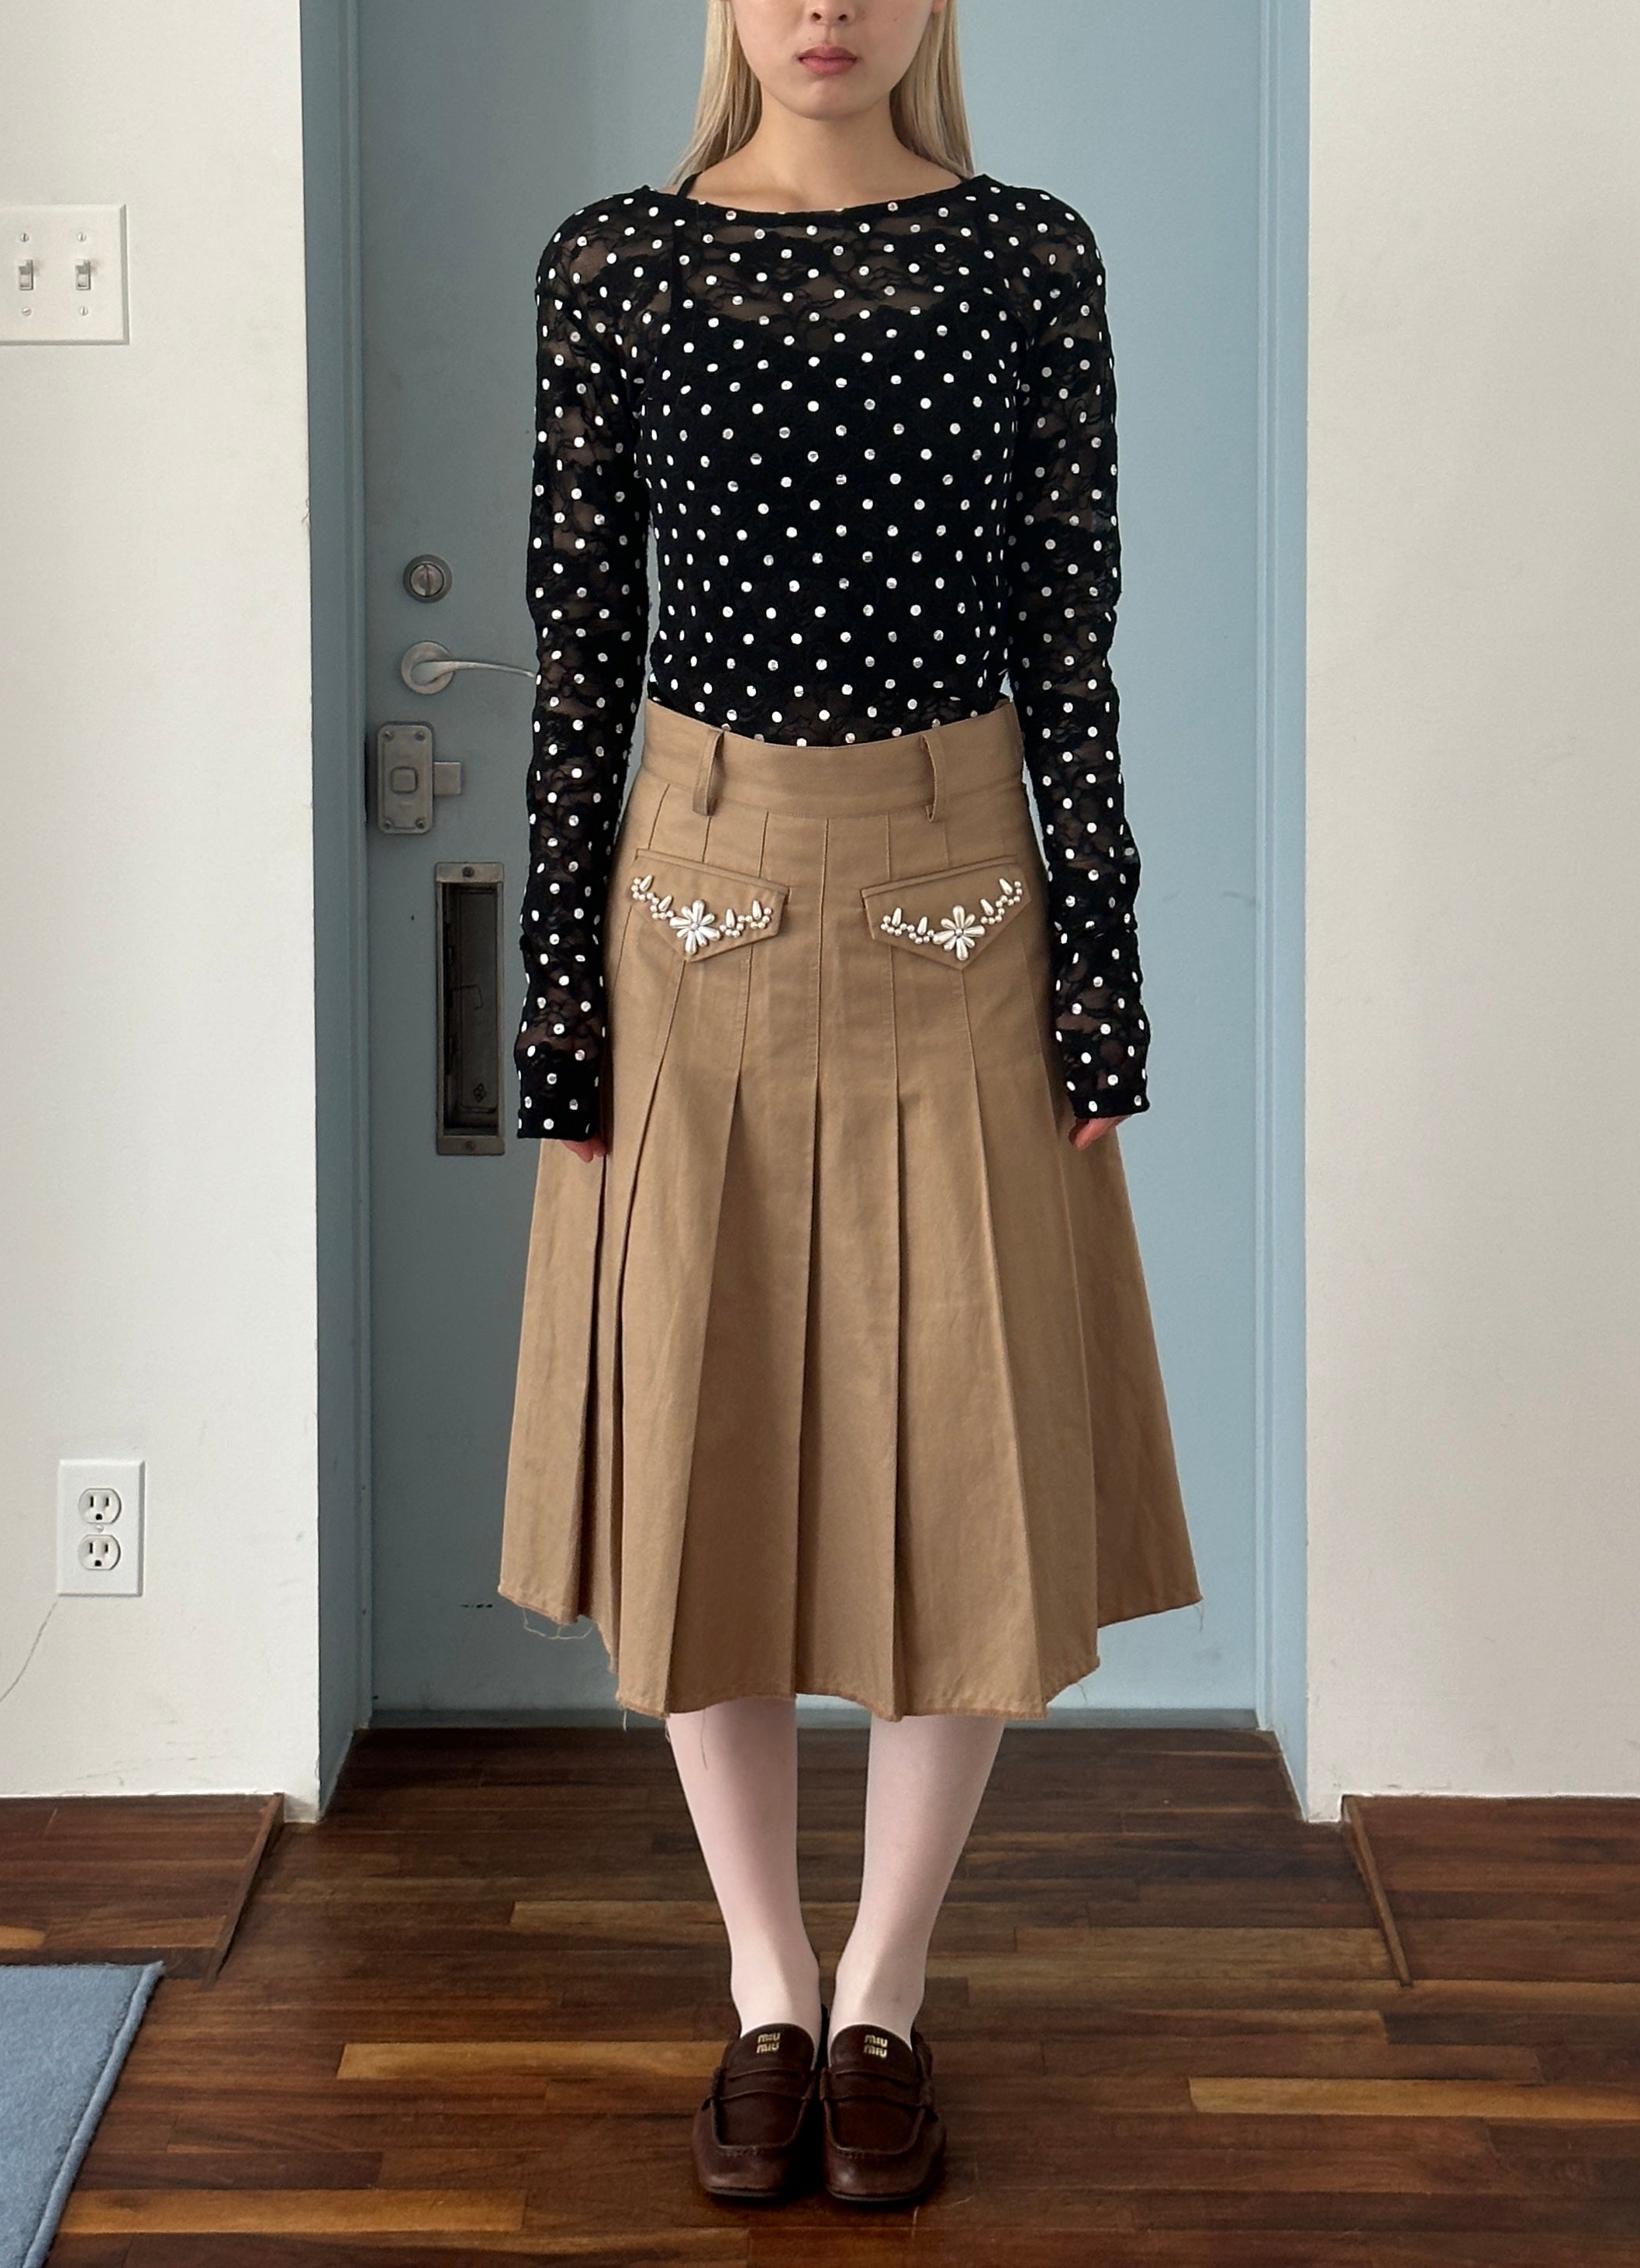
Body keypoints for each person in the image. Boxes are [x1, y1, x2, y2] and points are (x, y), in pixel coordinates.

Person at [499, 0, 1201, 2212]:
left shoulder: (1028, 254)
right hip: (686, 897)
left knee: (957, 1440)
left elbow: (1068, 637)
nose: (827, 8)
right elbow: (578, 651)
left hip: (960, 888)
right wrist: (555, 998)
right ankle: (766, 1985)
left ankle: (889, 1984)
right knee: (702, 1435)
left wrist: (1100, 965)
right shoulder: (614, 260)